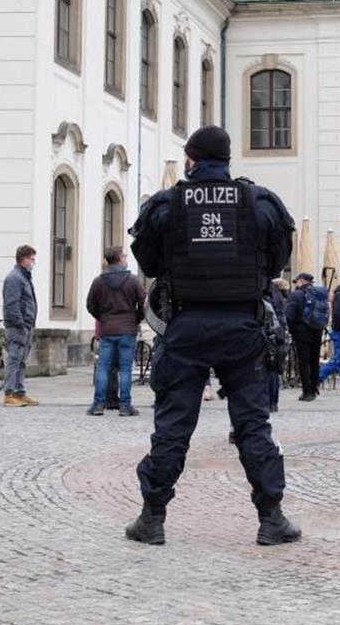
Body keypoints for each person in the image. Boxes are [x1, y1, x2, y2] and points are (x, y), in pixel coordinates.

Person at [125, 125, 300, 547]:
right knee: (252, 425)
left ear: (191, 159)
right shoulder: (259, 202)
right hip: (243, 326)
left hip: (185, 326)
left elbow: (146, 259)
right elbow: (278, 262)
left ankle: (152, 518)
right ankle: (271, 518)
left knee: (173, 426)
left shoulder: (167, 204)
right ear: (227, 160)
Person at [85, 245, 146, 416]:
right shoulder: (133, 280)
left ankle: (98, 405)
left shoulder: (99, 281)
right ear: (119, 258)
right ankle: (125, 406)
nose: (126, 258)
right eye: (125, 256)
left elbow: (90, 304)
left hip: (108, 330)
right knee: (125, 369)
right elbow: (144, 303)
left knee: (103, 368)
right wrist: (136, 318)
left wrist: (103, 318)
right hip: (128, 329)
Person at [2, 245, 40, 407]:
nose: (33, 262)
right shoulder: (15, 278)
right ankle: (9, 393)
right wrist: (20, 324)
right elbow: (12, 304)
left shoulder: (24, 276)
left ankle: (19, 391)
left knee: (21, 361)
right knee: (14, 359)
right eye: (31, 259)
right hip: (18, 326)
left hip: (26, 324)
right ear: (23, 259)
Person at [285, 273, 325, 401]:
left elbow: (289, 315)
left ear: (301, 281)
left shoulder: (296, 295)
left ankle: (307, 392)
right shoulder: (319, 293)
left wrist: (291, 330)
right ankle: (314, 388)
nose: (296, 284)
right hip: (317, 330)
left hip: (301, 331)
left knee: (304, 362)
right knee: (314, 361)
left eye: (296, 281)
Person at [268, 278, 290, 413]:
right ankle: (273, 402)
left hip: (271, 336)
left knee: (269, 369)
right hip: (279, 335)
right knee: (274, 369)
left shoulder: (271, 296)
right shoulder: (281, 298)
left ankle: (270, 402)